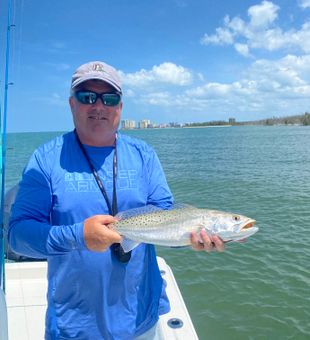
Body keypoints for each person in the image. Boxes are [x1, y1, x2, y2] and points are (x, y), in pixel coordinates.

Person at [8, 61, 224, 340]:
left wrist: (190, 237)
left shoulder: (143, 154)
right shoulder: (46, 159)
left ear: (120, 107)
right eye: (87, 96)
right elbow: (17, 235)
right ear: (71, 104)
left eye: (109, 98)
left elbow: (166, 217)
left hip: (141, 318)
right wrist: (79, 236)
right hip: (74, 325)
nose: (99, 106)